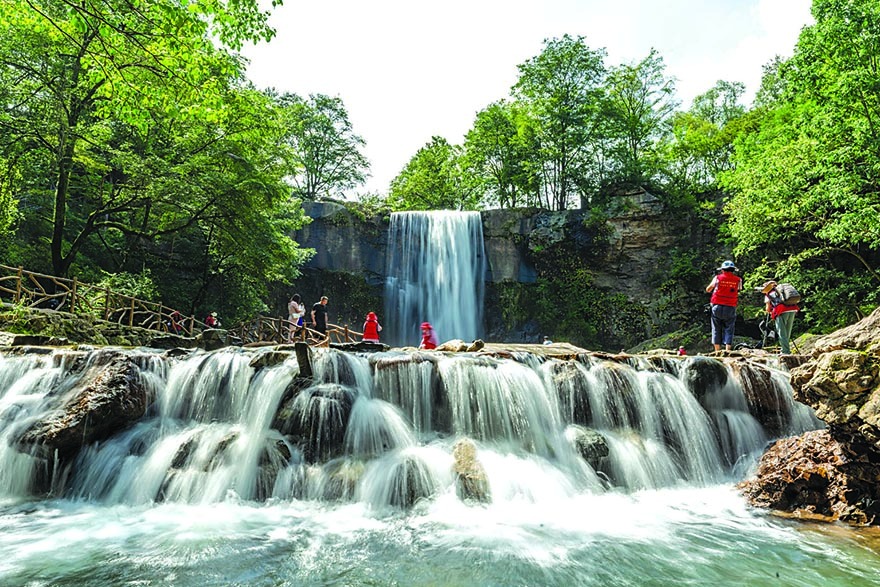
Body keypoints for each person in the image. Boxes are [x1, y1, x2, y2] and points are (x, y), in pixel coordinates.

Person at [705, 260, 742, 352]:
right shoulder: (738, 280)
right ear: (733, 270)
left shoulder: (717, 278)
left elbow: (708, 289)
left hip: (717, 305)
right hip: (730, 306)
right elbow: (739, 289)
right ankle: (727, 350)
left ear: (722, 270)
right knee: (729, 327)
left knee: (716, 328)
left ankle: (717, 351)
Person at [761, 280, 800, 354]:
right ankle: (785, 349)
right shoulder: (781, 290)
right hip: (792, 309)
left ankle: (785, 351)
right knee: (787, 332)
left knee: (782, 333)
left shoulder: (768, 294)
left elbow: (768, 308)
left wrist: (769, 312)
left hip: (780, 311)